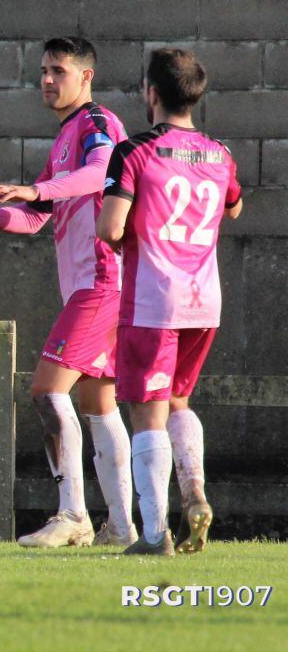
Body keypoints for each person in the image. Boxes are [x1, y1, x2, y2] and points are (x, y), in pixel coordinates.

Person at [0, 37, 136, 548]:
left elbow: (102, 173)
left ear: (86, 77)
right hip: (89, 285)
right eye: (44, 71)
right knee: (100, 405)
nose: (48, 80)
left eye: (59, 70)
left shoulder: (97, 125)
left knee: (46, 390)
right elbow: (35, 218)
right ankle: (121, 525)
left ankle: (73, 513)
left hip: (100, 281)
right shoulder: (65, 137)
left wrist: (38, 189)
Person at [97, 48, 243, 556]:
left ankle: (155, 533)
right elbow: (235, 204)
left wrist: (133, 234)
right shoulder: (220, 154)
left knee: (147, 414)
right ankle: (195, 490)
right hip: (205, 301)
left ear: (151, 93)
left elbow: (110, 227)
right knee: (179, 401)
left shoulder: (135, 152)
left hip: (153, 301)